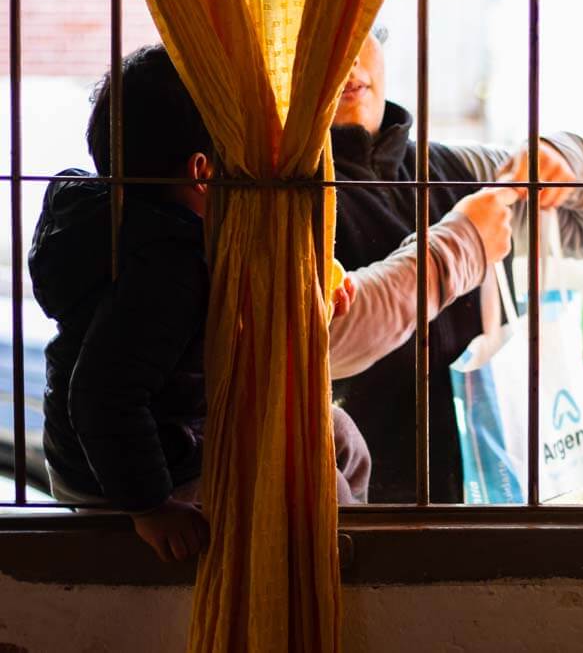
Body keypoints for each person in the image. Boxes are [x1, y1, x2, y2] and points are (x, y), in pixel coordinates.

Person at [28, 45, 371, 562]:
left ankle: (359, 534)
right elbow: (101, 395)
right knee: (313, 470)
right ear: (204, 172)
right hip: (127, 471)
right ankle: (336, 569)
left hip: (141, 435)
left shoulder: (125, 223)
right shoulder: (168, 265)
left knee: (336, 430)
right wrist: (151, 507)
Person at [327, 27, 583, 503]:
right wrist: (464, 242)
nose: (347, 60)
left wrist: (566, 159)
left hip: (498, 495)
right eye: (323, 46)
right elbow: (323, 337)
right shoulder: (283, 202)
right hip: (366, 513)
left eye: (361, 32)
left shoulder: (455, 168)